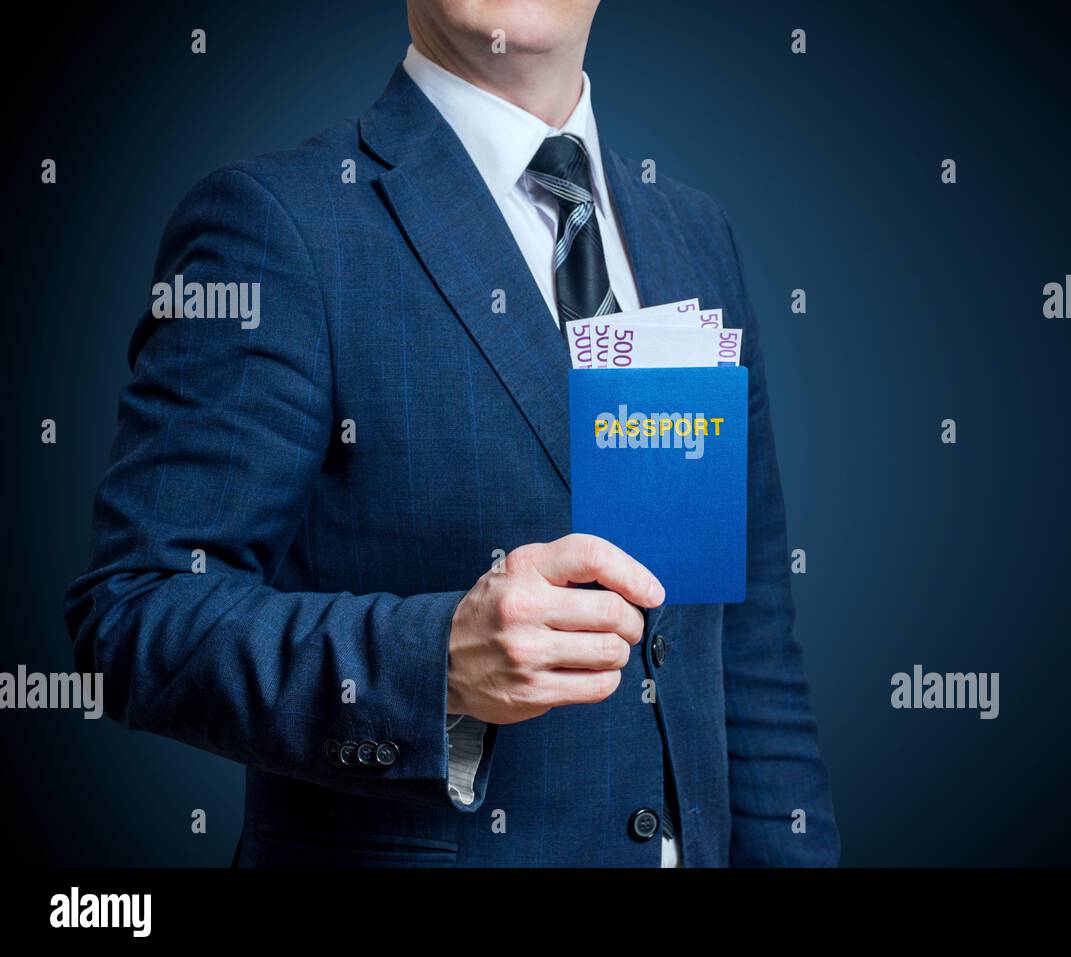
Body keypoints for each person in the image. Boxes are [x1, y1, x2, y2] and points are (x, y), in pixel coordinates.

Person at [65, 0, 839, 867]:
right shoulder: (279, 226)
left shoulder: (694, 235)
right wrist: (435, 665)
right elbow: (137, 614)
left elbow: (750, 654)